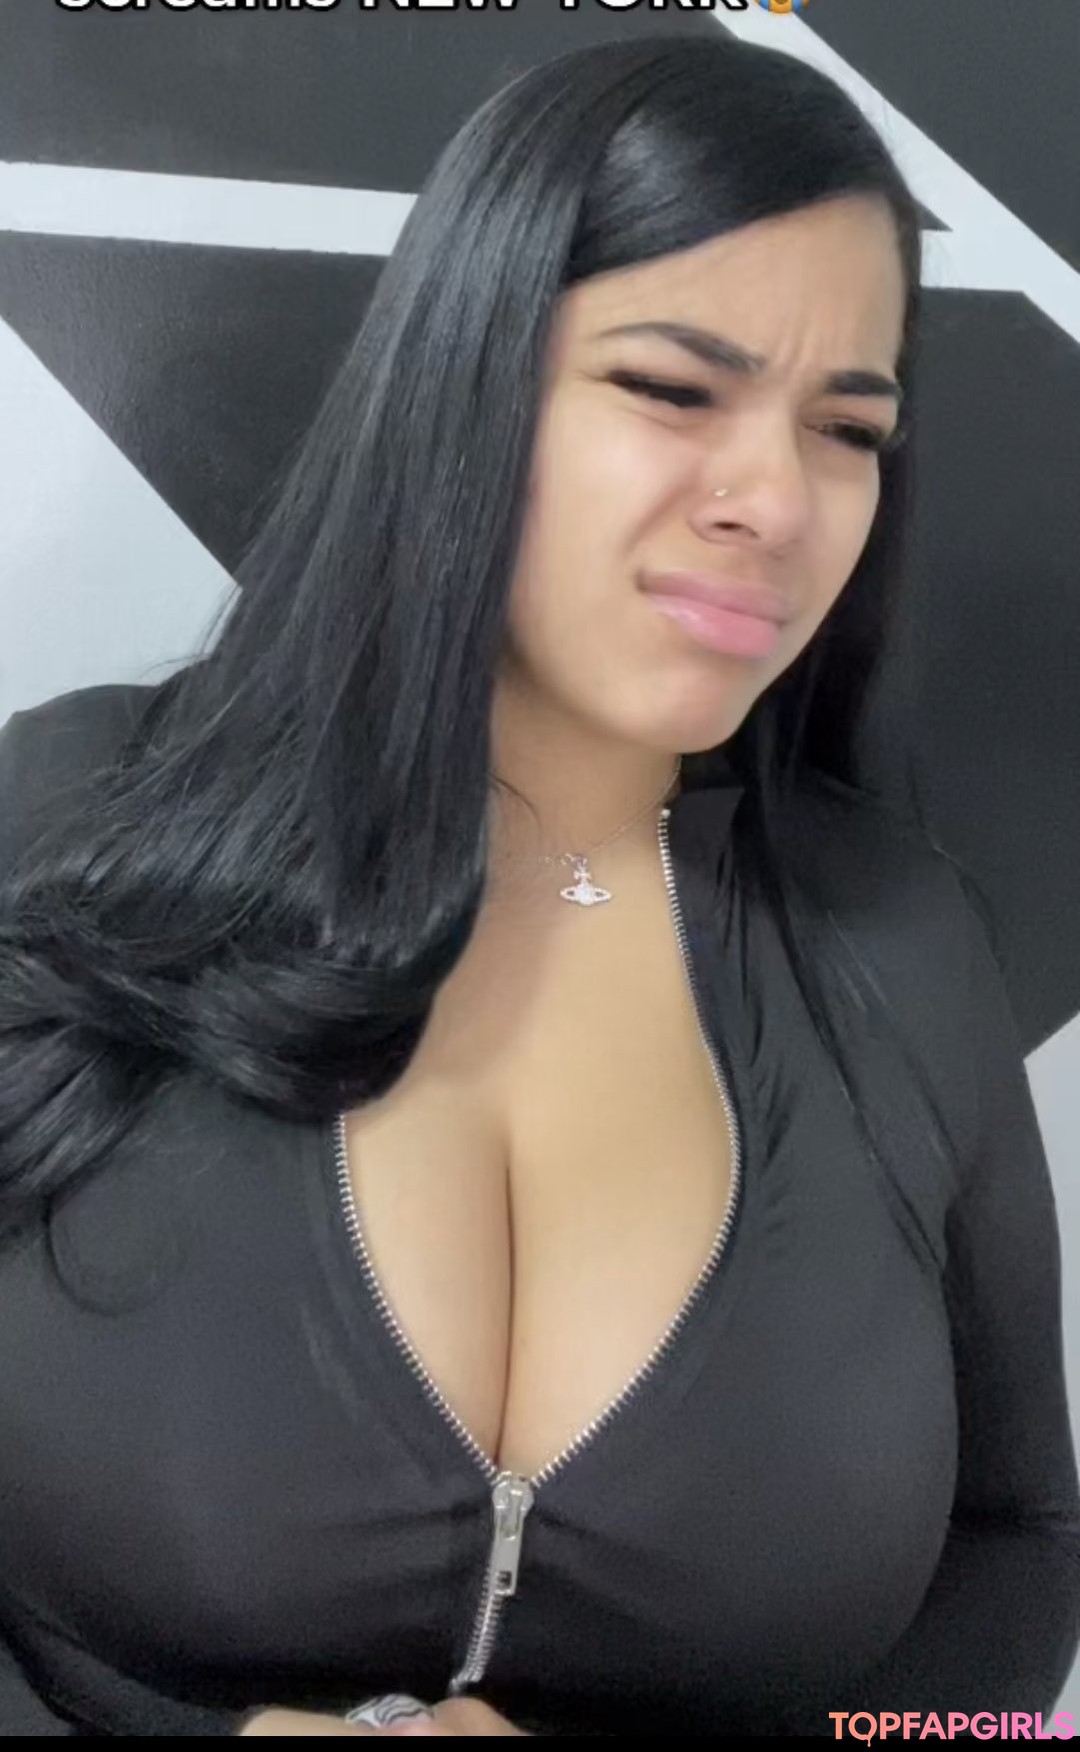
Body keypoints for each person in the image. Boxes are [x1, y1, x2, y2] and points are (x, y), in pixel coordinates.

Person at [0, 32, 1077, 1741]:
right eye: (672, 389)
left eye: (847, 427)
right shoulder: (60, 822)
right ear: (468, 371)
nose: (777, 500)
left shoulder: (902, 942)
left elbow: (1022, 1548)